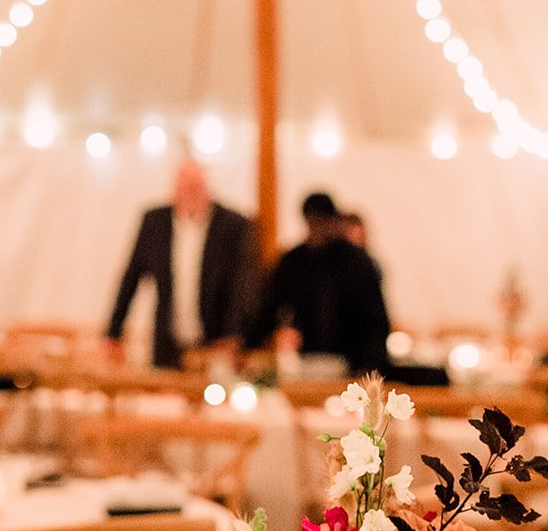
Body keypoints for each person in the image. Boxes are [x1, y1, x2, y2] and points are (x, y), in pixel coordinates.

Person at [105, 159, 260, 369]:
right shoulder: (155, 222)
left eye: (196, 188)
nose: (191, 194)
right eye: (185, 188)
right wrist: (114, 331)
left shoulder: (233, 226)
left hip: (214, 341)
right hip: (167, 342)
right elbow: (131, 277)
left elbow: (243, 286)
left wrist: (232, 334)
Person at [245, 191, 391, 375]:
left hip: (350, 363)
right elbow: (267, 309)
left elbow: (375, 321)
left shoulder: (355, 262)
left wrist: (369, 366)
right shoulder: (293, 262)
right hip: (302, 362)